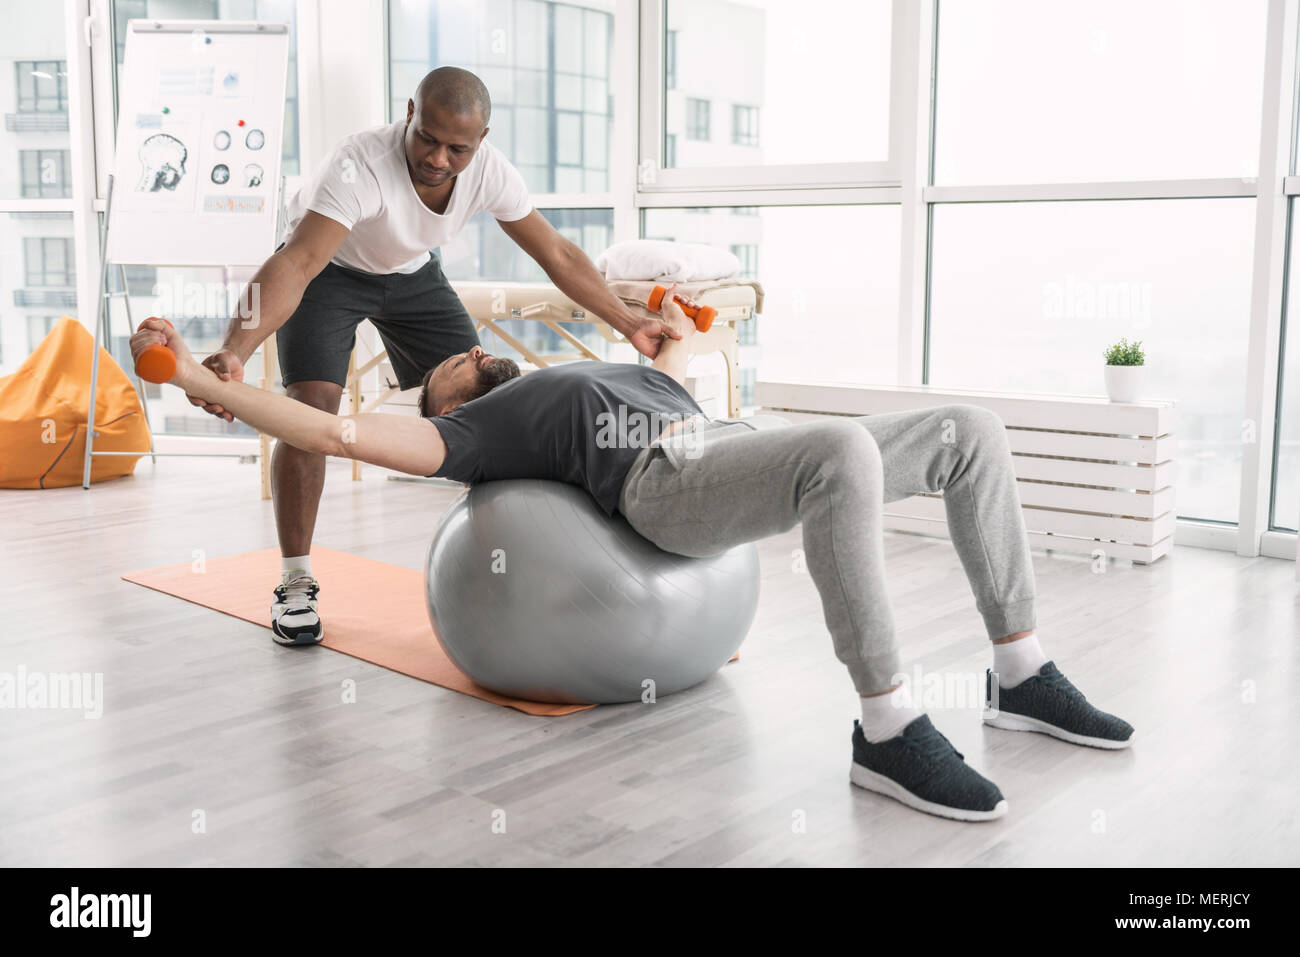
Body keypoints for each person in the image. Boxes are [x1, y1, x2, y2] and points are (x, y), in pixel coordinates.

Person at [130, 290, 1134, 824]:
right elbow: (338, 434)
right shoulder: (473, 432)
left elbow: (665, 365)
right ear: (438, 406)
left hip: (730, 436)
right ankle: (885, 727)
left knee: (970, 427)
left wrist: (673, 325)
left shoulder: (573, 372)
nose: (460, 352)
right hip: (670, 482)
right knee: (840, 451)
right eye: (440, 368)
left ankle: (1020, 670)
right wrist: (205, 387)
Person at [185, 66, 679, 646]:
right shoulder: (358, 164)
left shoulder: (490, 172)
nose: (439, 159)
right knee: (312, 413)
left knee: (491, 408)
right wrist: (232, 350)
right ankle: (296, 582)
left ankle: (524, 565)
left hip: (414, 276)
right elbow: (295, 265)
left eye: (458, 148)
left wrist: (628, 322)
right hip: (329, 273)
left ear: (482, 140)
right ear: (410, 113)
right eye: (429, 138)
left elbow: (558, 254)